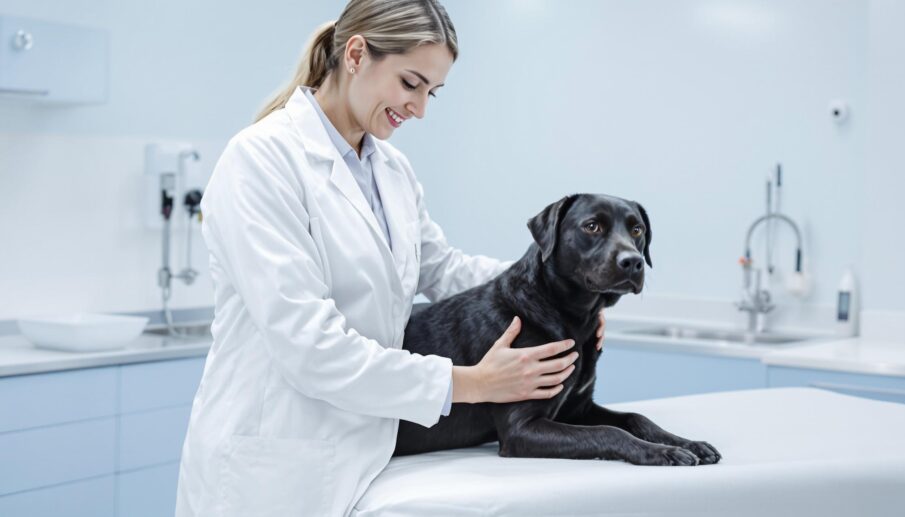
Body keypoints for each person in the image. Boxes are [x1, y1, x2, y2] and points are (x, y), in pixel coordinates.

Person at [175, 1, 605, 516]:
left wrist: (562, 296)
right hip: (275, 467)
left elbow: (443, 269)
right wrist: (470, 383)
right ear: (356, 54)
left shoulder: (392, 171)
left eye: (432, 92)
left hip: (369, 458)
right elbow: (310, 346)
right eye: (410, 83)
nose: (420, 108)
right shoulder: (260, 161)